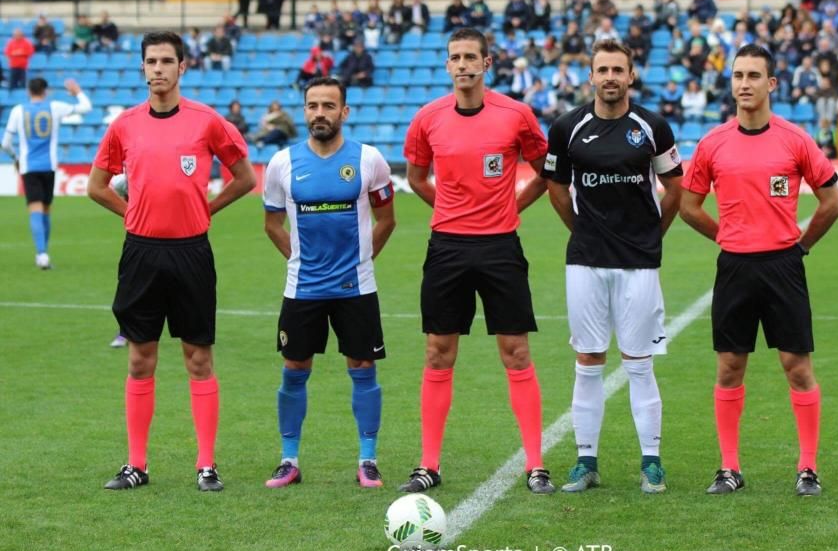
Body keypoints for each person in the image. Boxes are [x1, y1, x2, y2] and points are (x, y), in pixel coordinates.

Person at [86, 31, 257, 492]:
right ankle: (136, 466)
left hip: (191, 251)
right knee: (141, 358)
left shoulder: (207, 122)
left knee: (198, 356)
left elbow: (243, 178)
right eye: (151, 61)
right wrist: (131, 215)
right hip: (141, 252)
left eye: (167, 61)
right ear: (141, 68)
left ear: (183, 67)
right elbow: (96, 185)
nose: (158, 68)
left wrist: (208, 210)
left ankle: (206, 465)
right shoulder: (124, 125)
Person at [678, 44, 838, 497]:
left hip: (782, 265)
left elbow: (832, 202)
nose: (744, 84)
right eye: (738, 76)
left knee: (796, 366)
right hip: (734, 266)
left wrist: (801, 246)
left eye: (754, 76)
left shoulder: (795, 139)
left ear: (772, 84)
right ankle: (729, 468)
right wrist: (725, 237)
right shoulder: (713, 143)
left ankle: (807, 467)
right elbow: (687, 207)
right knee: (730, 366)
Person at [399, 27, 556, 495]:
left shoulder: (516, 115)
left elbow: (546, 170)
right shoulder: (428, 118)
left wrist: (510, 208)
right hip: (447, 246)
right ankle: (429, 464)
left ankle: (535, 465)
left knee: (516, 352)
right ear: (447, 65)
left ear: (488, 63)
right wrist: (450, 209)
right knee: (438, 352)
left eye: (471, 56)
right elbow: (416, 176)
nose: (463, 64)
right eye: (455, 57)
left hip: (500, 246)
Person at [542, 39, 683, 495]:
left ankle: (652, 462)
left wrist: (650, 236)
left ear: (631, 75)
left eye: (617, 70)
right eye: (602, 70)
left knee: (639, 363)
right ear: (591, 77)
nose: (610, 78)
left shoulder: (653, 126)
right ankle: (586, 462)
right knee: (587, 360)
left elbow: (674, 189)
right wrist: (581, 231)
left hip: (638, 263)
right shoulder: (567, 127)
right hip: (585, 260)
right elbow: (557, 189)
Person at [262, 77, 396, 490]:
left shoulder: (369, 160)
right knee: (294, 369)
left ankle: (368, 460)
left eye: (328, 105)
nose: (320, 112)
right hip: (302, 289)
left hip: (356, 287)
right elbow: (272, 224)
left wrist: (361, 261)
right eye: (312, 105)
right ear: (304, 112)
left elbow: (387, 220)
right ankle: (288, 460)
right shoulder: (282, 163)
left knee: (363, 367)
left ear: (344, 112)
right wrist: (300, 262)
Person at [2, 77, 92, 269]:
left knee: (35, 209)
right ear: (46, 91)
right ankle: (43, 253)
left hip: (29, 167)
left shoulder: (18, 110)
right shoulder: (55, 107)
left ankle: (41, 254)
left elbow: (6, 144)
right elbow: (86, 107)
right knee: (46, 210)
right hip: (49, 166)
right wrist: (77, 92)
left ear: (28, 91)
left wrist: (15, 158)